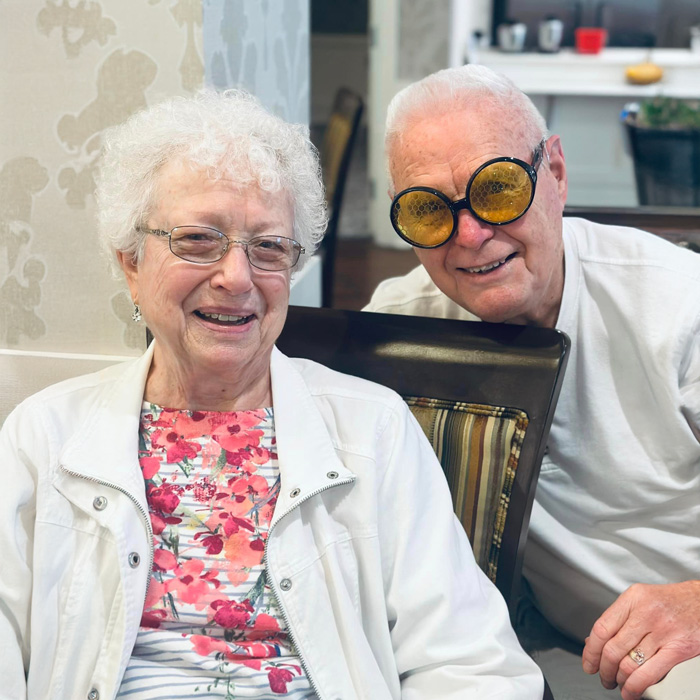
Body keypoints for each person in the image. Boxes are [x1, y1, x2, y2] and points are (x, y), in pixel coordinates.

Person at [0, 89, 544, 700]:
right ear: (131, 261)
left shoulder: (375, 430)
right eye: (199, 240)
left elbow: (473, 665)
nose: (237, 277)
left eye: (267, 248)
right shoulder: (43, 438)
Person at [365, 64, 700, 700]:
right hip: (539, 654)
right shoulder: (395, 336)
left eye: (496, 190)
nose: (469, 236)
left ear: (557, 174)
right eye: (429, 210)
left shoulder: (680, 305)